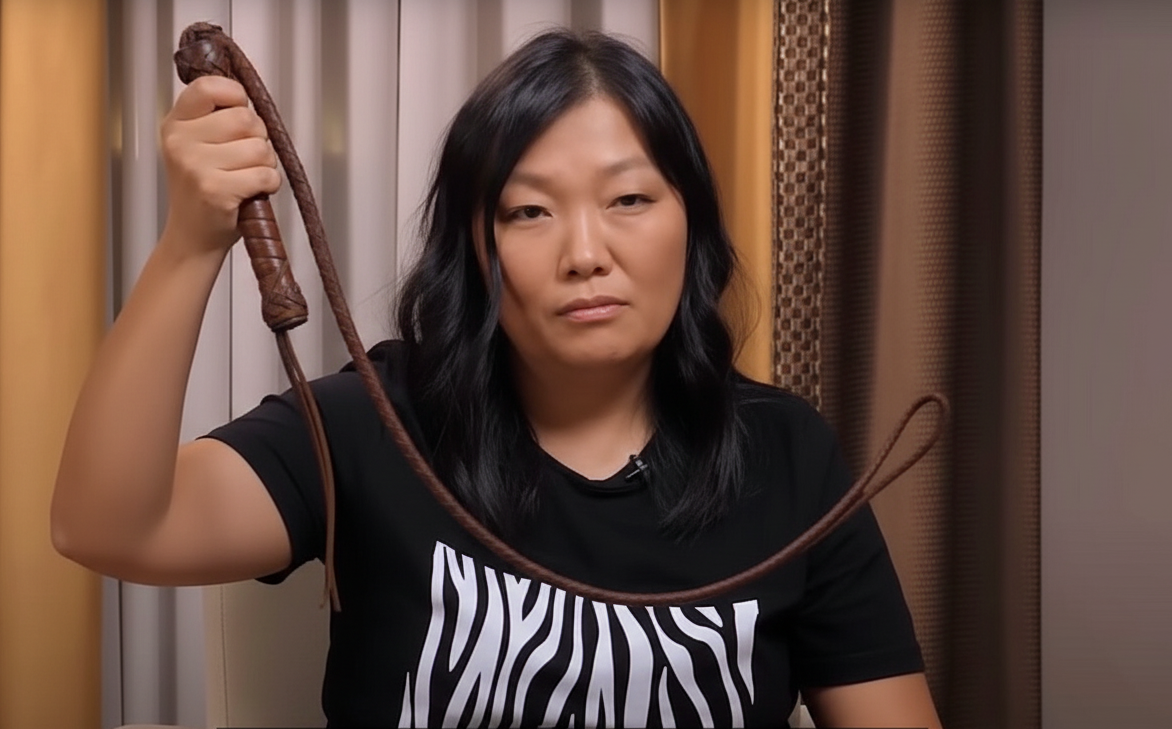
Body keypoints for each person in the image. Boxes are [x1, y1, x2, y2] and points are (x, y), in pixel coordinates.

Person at [52, 29, 941, 729]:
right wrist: (191, 243)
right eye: (529, 211)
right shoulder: (377, 421)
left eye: (630, 199)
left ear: (692, 224)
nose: (585, 253)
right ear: (474, 253)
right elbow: (106, 526)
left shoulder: (787, 455)